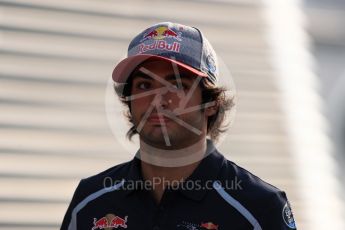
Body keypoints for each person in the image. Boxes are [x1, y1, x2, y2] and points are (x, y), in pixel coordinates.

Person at [61, 22, 297, 230]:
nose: (158, 99)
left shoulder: (259, 207)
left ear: (211, 103)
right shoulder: (90, 200)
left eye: (177, 85)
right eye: (144, 85)